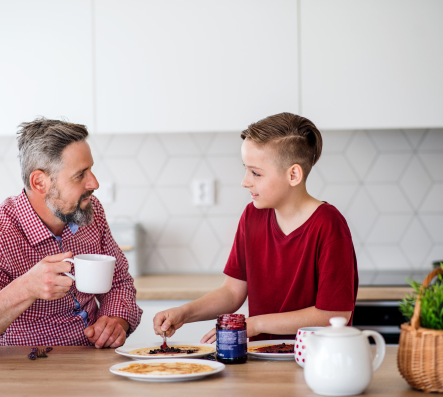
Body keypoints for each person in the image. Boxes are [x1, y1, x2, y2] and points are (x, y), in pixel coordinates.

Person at [0, 118, 142, 357]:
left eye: (91, 170)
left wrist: (116, 322)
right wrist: (26, 288)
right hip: (26, 371)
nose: (95, 183)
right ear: (40, 182)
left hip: (92, 362)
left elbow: (119, 282)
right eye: (80, 175)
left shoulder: (90, 210)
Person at [153, 112, 358, 343]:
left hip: (315, 363)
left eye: (256, 173)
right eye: (246, 169)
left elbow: (334, 314)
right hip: (259, 359)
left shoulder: (329, 225)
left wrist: (256, 324)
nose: (245, 181)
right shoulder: (252, 216)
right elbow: (232, 292)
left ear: (293, 174)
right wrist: (185, 313)